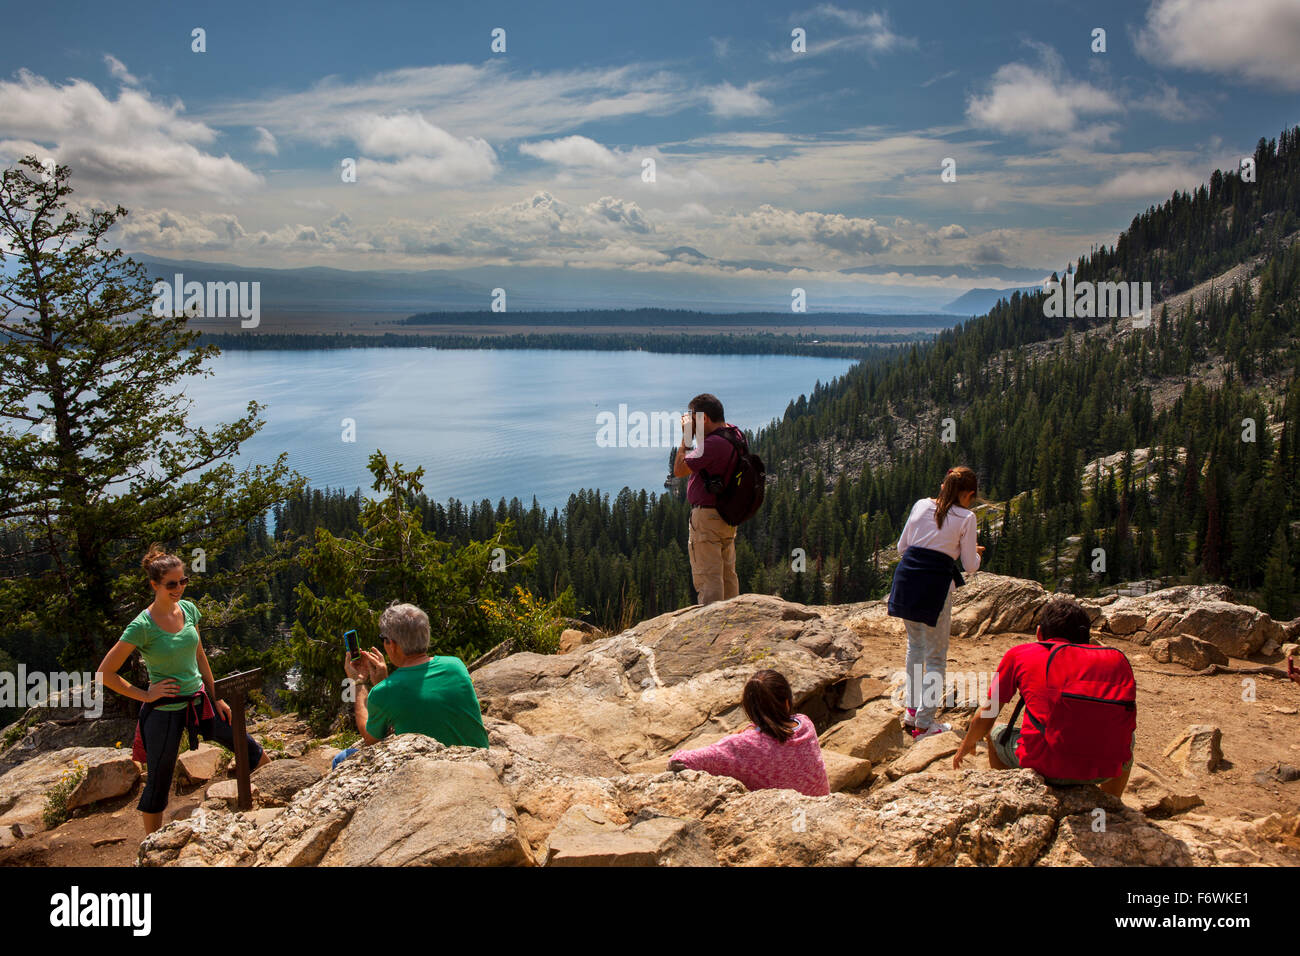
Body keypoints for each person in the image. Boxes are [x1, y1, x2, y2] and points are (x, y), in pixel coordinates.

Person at [97, 545, 269, 837]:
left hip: (200, 699)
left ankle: (271, 802)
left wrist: (218, 696)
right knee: (159, 782)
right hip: (164, 711)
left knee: (248, 747)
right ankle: (152, 846)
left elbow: (200, 655)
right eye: (172, 584)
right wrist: (147, 695)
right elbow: (105, 673)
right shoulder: (142, 625)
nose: (179, 588)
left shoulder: (189, 609)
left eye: (183, 581)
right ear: (155, 585)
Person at [952, 597, 1136, 797]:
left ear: (1039, 632)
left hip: (1046, 765)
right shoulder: (1113, 660)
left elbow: (989, 713)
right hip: (1106, 771)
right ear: (1086, 636)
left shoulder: (1020, 654)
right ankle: (1111, 802)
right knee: (1128, 737)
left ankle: (1013, 795)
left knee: (996, 733)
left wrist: (967, 743)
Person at [888, 466, 984, 739]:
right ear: (969, 494)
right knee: (936, 657)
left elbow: (901, 547)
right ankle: (925, 724)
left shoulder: (921, 504)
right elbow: (969, 565)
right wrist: (974, 552)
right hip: (935, 586)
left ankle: (912, 710)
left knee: (915, 647)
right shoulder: (966, 517)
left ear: (943, 486)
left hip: (907, 580)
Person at [333, 602, 490, 769]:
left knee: (341, 758)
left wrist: (358, 683)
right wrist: (383, 683)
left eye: (383, 638)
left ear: (392, 645)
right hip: (479, 764)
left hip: (435, 772)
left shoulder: (385, 691)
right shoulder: (455, 665)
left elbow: (371, 738)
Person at [667, 669, 829, 796]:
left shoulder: (745, 745)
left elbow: (680, 761)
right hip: (821, 808)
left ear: (749, 708)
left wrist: (739, 739)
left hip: (780, 818)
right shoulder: (805, 724)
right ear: (787, 702)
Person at [672, 392, 746, 605]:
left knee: (709, 579)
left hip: (707, 519)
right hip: (727, 516)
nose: (691, 422)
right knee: (727, 576)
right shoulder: (735, 434)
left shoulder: (711, 445)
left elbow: (679, 469)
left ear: (704, 419)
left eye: (693, 418)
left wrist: (686, 437)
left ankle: (711, 633)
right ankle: (732, 625)